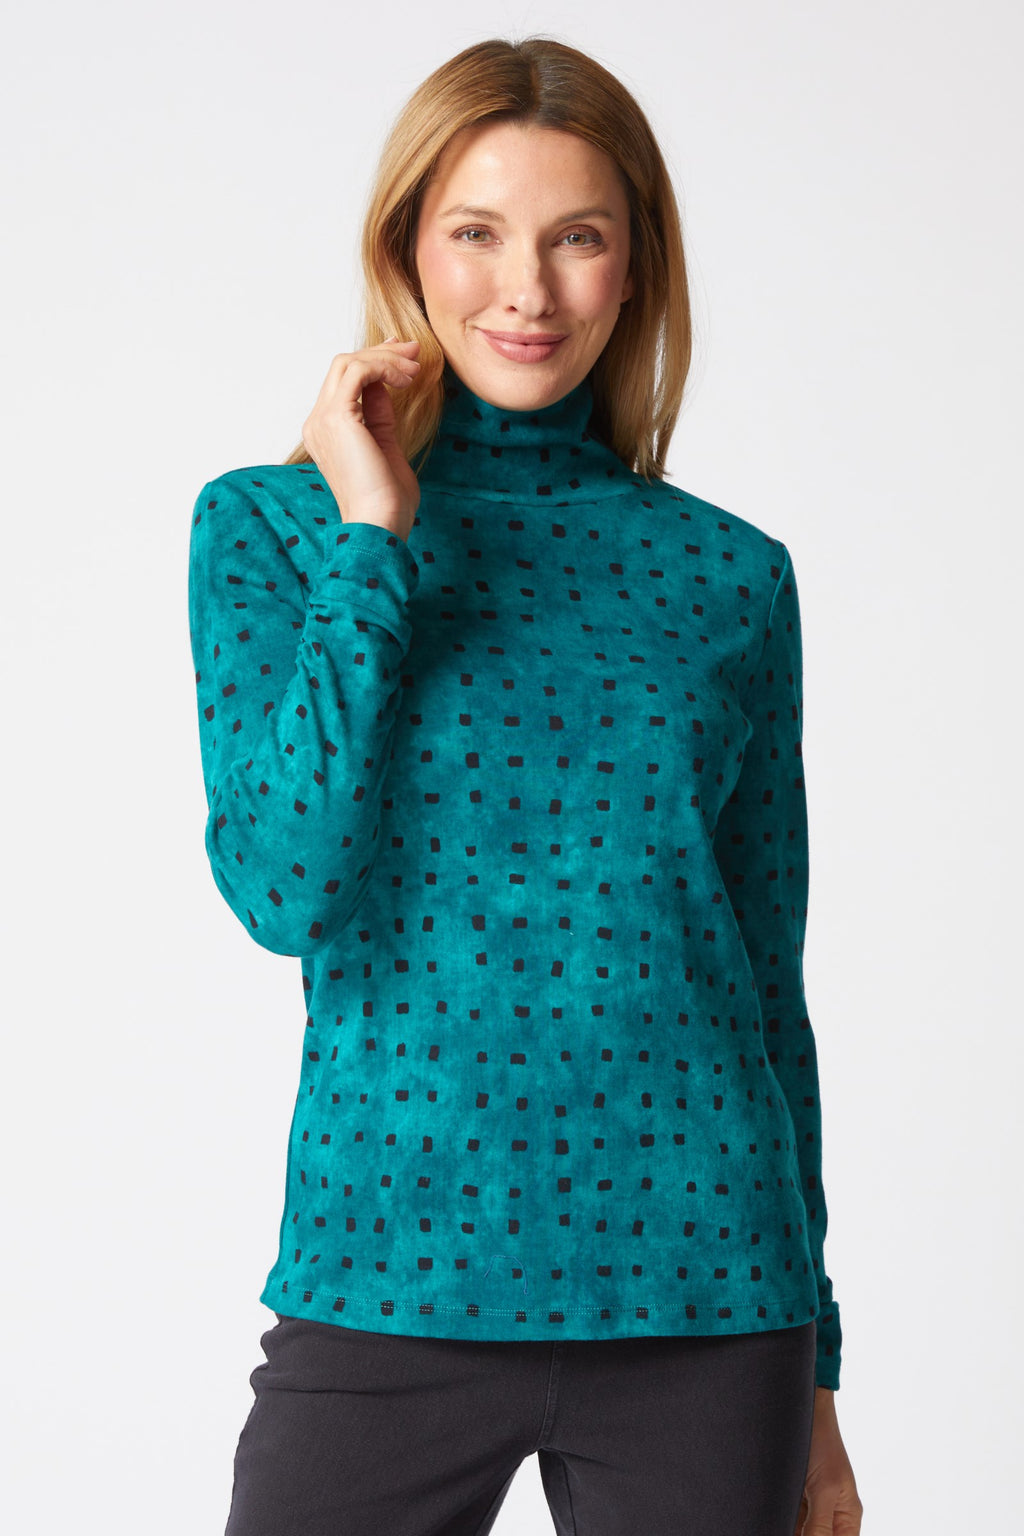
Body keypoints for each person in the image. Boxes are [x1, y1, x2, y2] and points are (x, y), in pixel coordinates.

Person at [188, 34, 863, 1536]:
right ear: (407, 251)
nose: (528, 290)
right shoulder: (276, 531)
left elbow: (769, 988)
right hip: (387, 1274)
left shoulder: (732, 577)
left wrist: (818, 1379)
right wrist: (374, 535)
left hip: (710, 1302)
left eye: (578, 237)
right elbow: (285, 884)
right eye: (479, 232)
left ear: (635, 266)